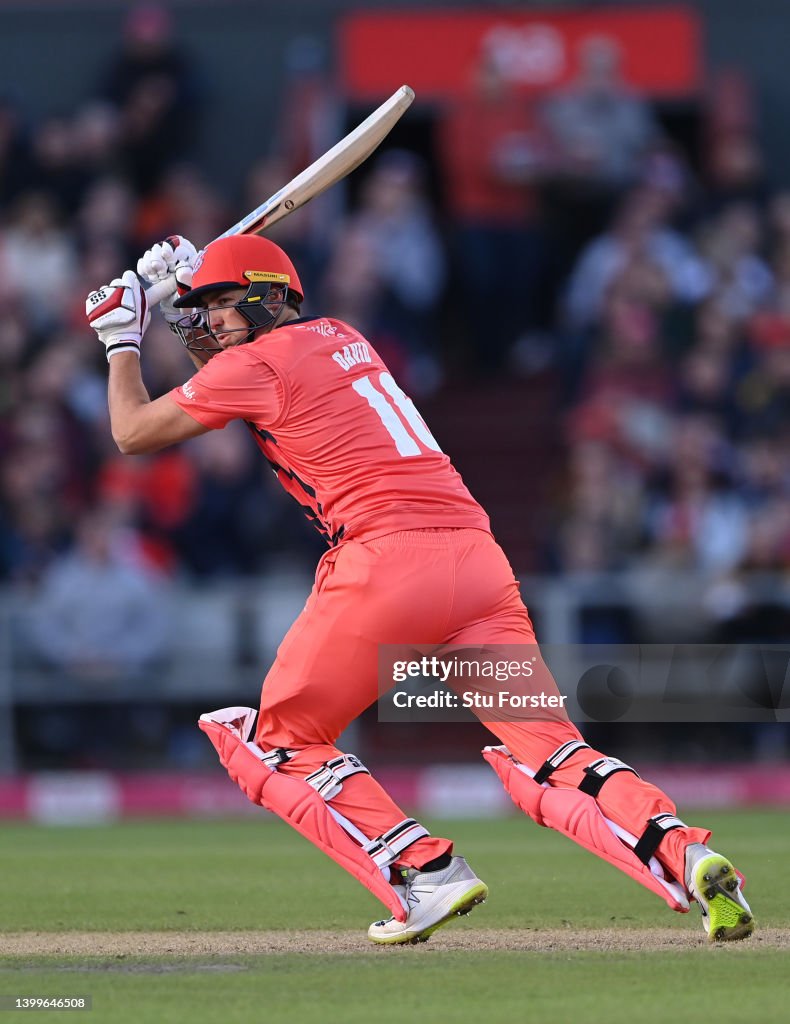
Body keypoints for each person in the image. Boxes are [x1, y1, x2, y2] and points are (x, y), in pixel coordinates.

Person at [85, 233, 754, 945]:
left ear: (264, 296)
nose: (212, 320)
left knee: (276, 743)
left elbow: (133, 431)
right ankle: (688, 852)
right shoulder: (341, 335)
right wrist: (190, 307)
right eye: (205, 310)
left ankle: (422, 872)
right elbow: (236, 377)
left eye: (221, 305)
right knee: (550, 756)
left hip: (386, 562)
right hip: (477, 562)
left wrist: (121, 338)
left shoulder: (256, 362)